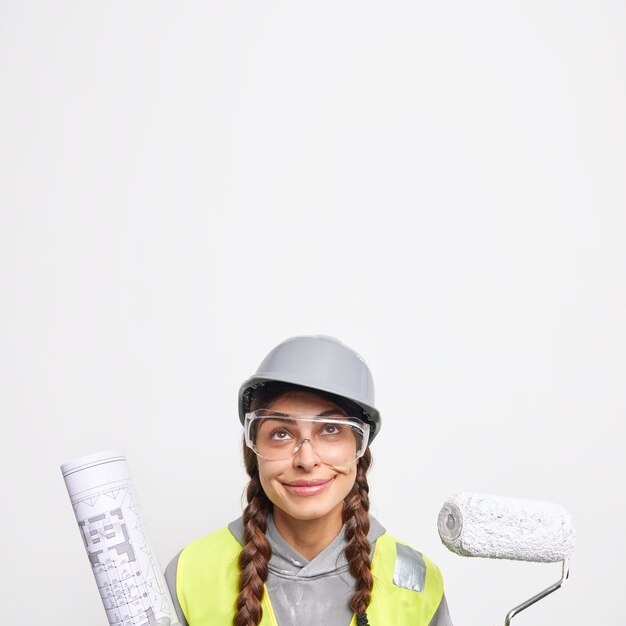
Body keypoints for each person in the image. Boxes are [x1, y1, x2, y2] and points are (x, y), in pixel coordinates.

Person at [164, 335, 453, 626]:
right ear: (253, 452)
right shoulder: (190, 573)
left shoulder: (416, 582)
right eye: (280, 433)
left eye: (330, 429)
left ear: (360, 448)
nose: (306, 459)